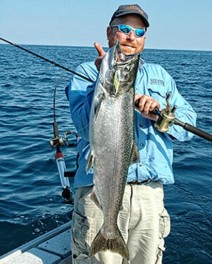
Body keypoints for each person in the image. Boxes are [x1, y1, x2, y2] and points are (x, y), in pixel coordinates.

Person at [65, 4, 197, 264]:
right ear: (109, 32)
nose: (131, 37)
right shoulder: (87, 72)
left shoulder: (160, 75)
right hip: (98, 190)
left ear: (144, 40)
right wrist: (101, 80)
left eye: (139, 31)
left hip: (149, 197)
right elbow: (83, 128)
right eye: (124, 29)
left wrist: (160, 115)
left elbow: (189, 125)